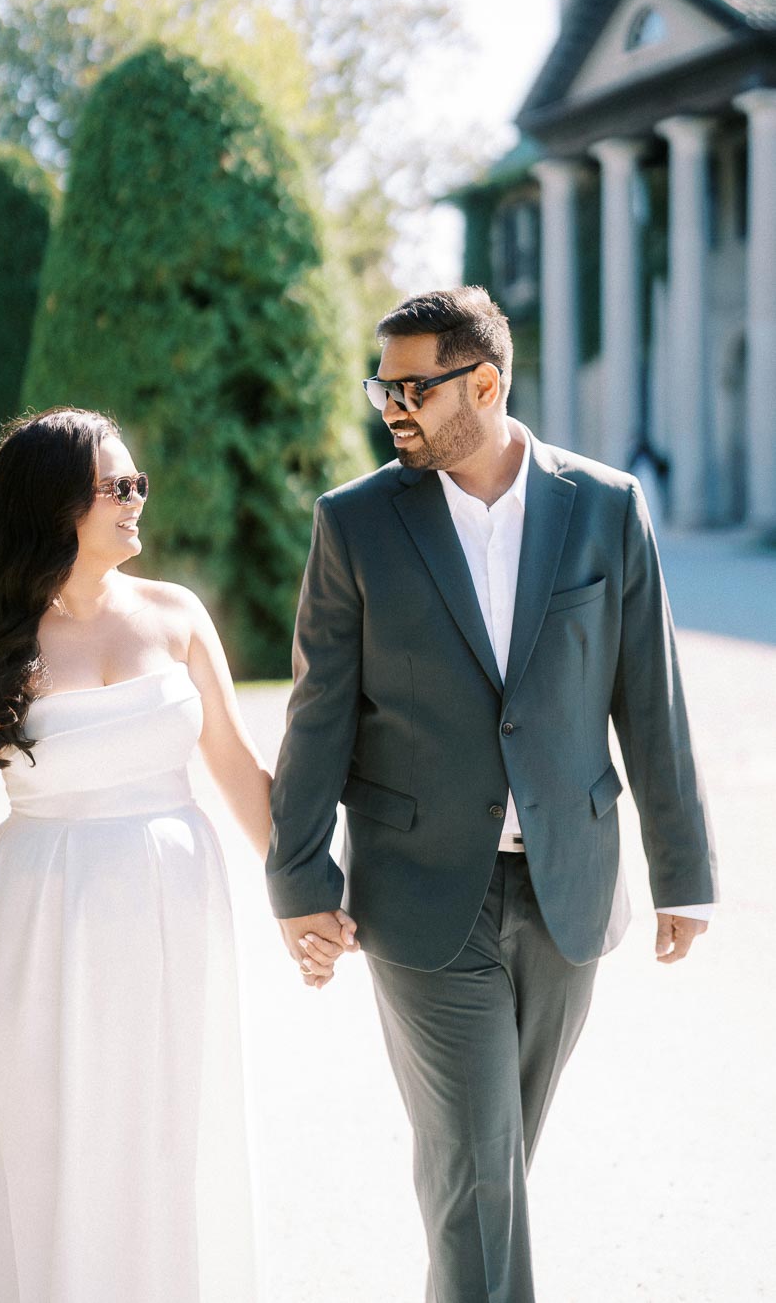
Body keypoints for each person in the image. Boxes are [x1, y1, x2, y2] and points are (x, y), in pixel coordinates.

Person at [266, 286, 717, 1302]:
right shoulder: (356, 523)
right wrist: (299, 875)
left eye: (411, 386)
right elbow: (318, 713)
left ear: (485, 382)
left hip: (568, 890)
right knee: (478, 1163)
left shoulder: (604, 506)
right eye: (380, 386)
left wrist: (683, 872)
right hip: (423, 895)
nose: (391, 406)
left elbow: (651, 694)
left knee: (487, 1169)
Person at [0, 406, 283, 1302]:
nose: (137, 500)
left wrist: (313, 894)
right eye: (118, 486)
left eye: (136, 482)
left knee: (169, 1136)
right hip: (40, 930)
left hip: (173, 918)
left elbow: (235, 770)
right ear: (57, 505)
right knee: (53, 1148)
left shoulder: (178, 616)